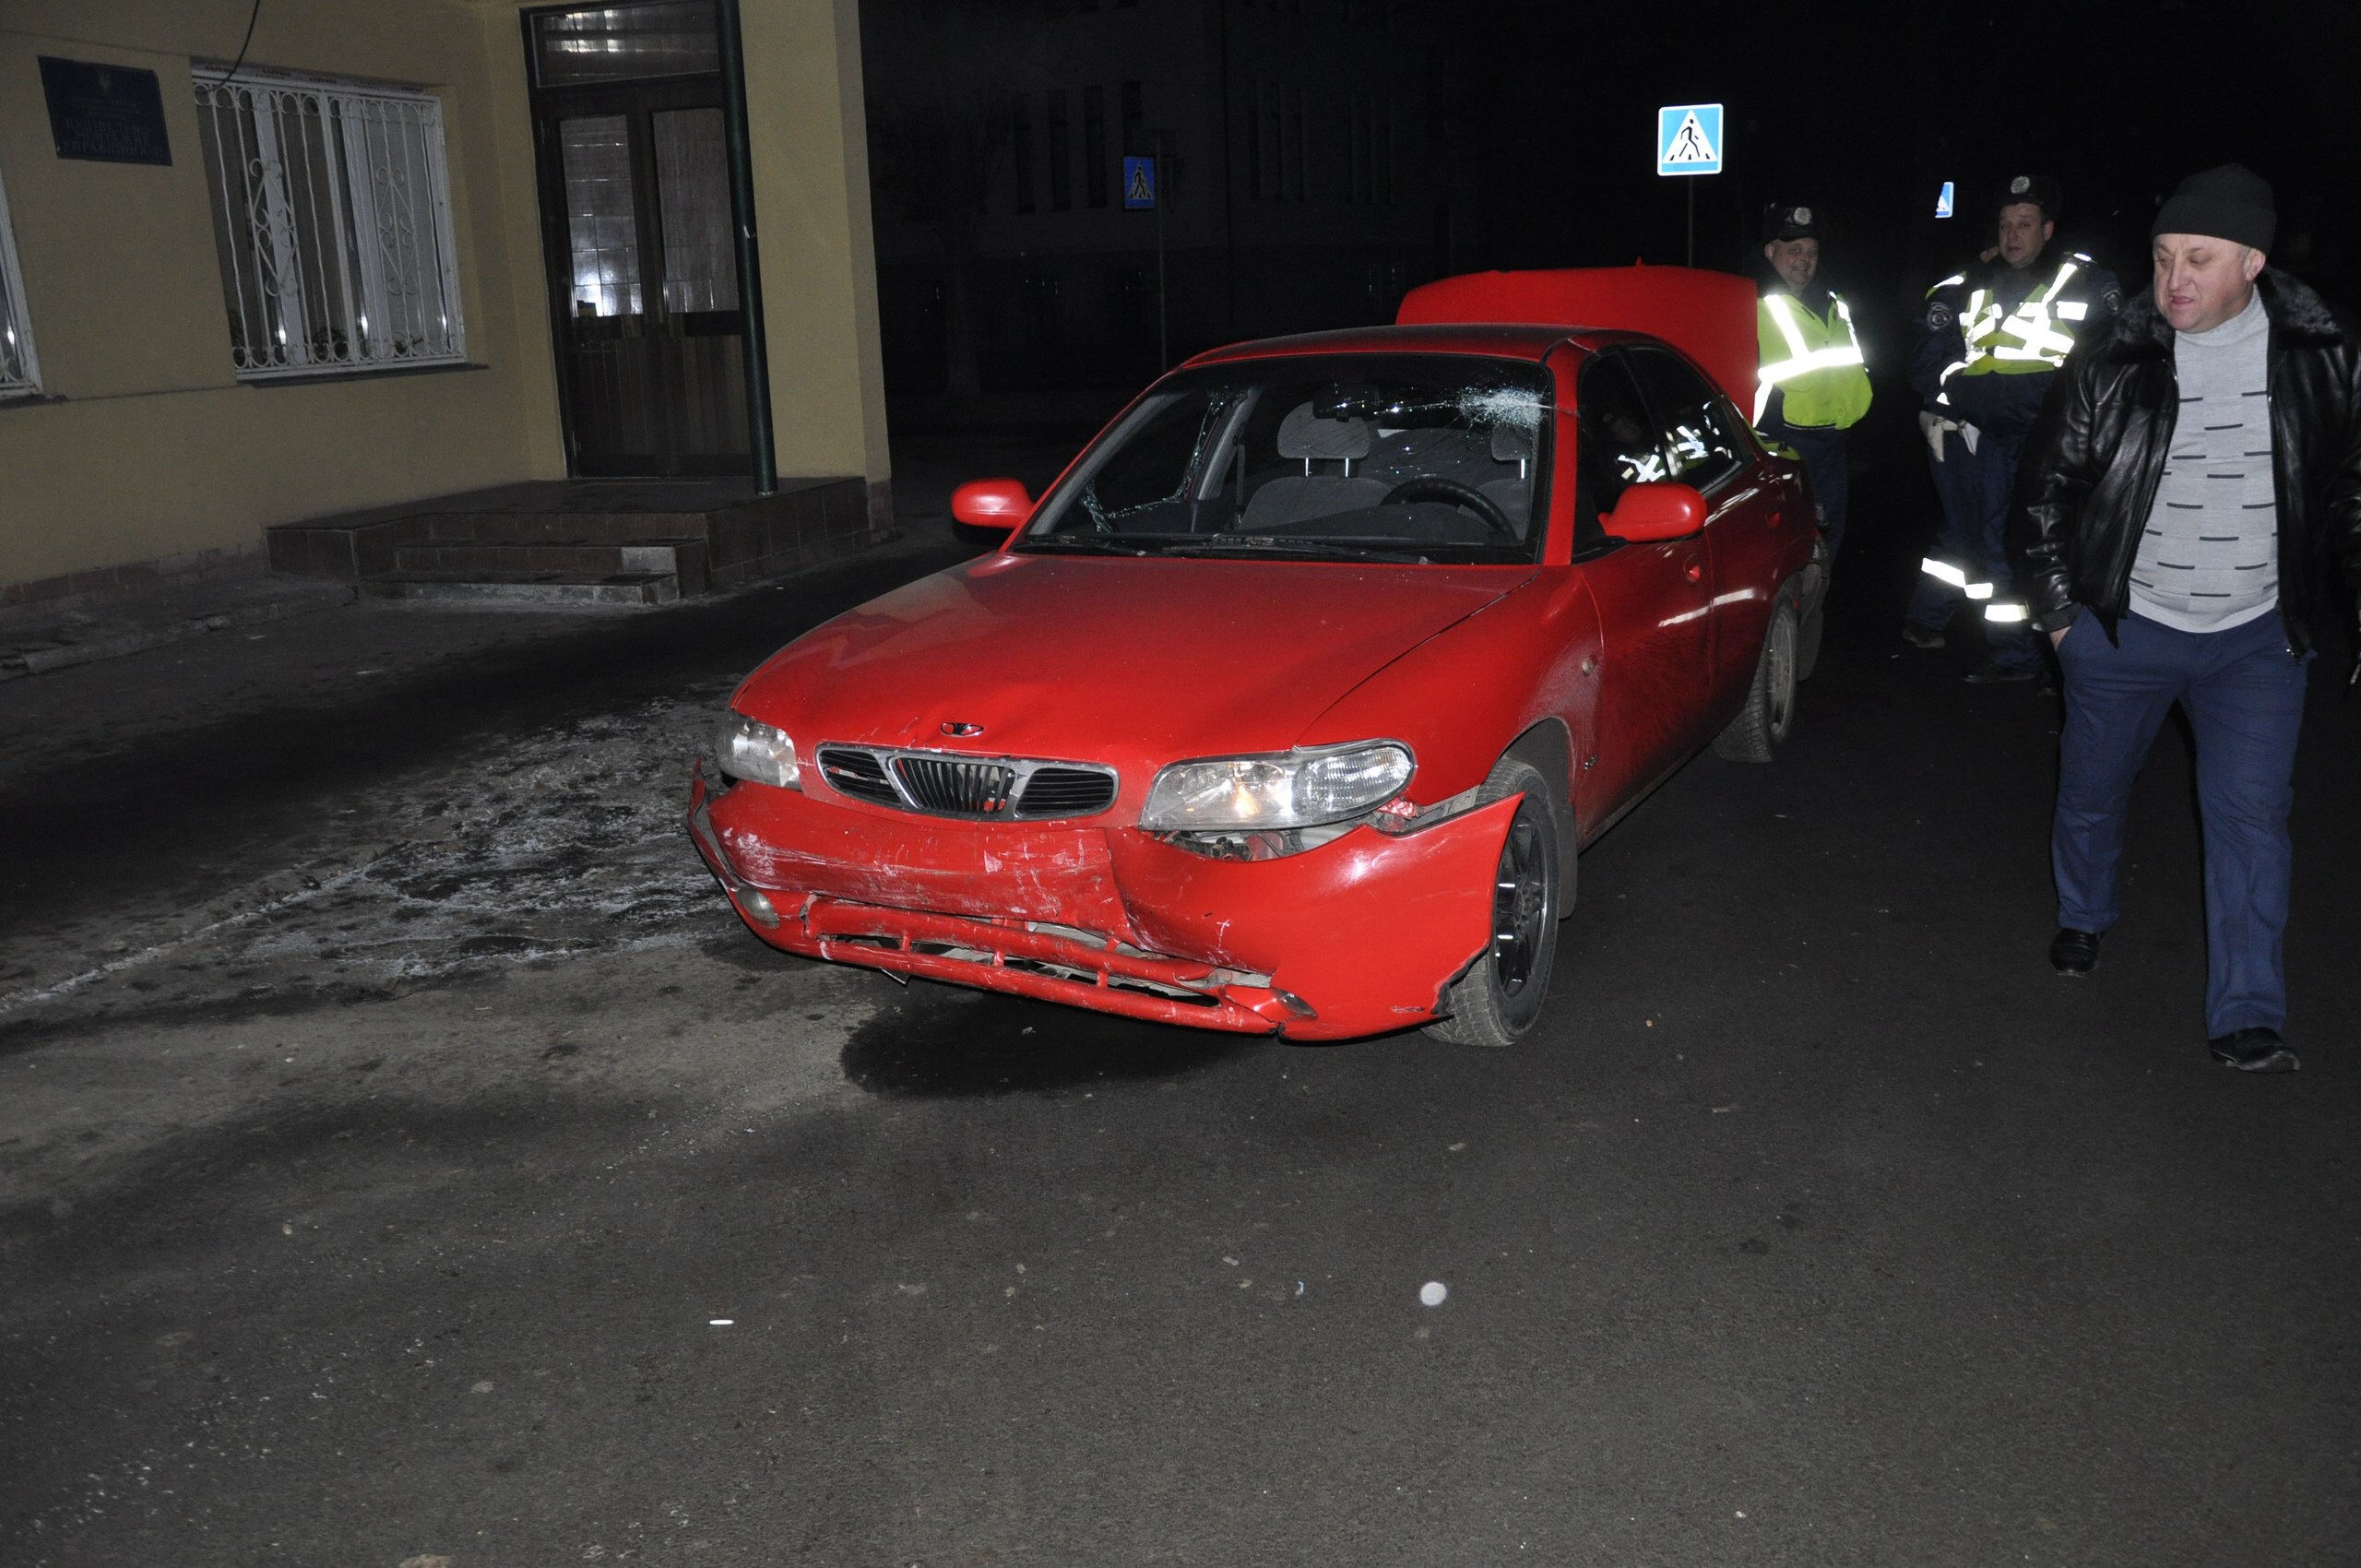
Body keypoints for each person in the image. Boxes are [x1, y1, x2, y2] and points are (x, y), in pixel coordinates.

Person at [2012, 163, 2361, 1074]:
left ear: (2251, 260)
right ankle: (2083, 912)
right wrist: (2061, 624)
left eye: (2197, 259)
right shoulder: (2112, 355)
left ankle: (2247, 1008)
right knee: (2091, 791)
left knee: (2251, 818)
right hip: (2125, 630)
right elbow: (2042, 491)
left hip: (2255, 638)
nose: (2173, 279)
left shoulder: (2324, 357)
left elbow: (2353, 494)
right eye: (2163, 256)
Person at [1904, 176, 2120, 681]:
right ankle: (2017, 655)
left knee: (2062, 546)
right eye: (2005, 224)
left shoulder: (2086, 282)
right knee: (1996, 544)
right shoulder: (1963, 287)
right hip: (1986, 437)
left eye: (2024, 224)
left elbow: (2112, 361)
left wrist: (2070, 416)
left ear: (2048, 229)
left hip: (2058, 440)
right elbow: (1926, 361)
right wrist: (1960, 400)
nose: (2013, 234)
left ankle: (2066, 660)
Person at [1752, 204, 1871, 563]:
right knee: (1788, 541)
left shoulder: (1833, 300)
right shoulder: (1748, 301)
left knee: (1830, 533)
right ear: (1771, 252)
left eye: (1811, 250)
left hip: (1834, 438)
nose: (1804, 259)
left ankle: (1815, 611)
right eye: (1794, 250)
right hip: (1783, 443)